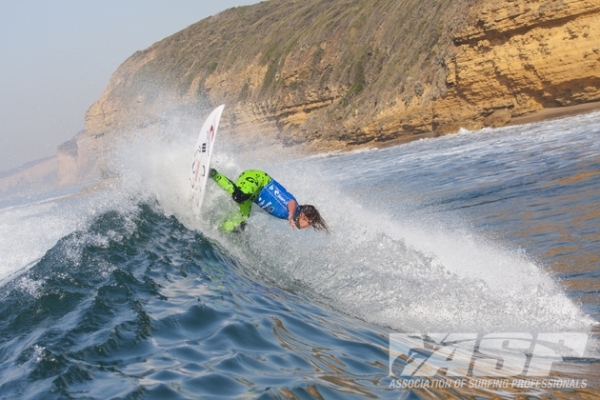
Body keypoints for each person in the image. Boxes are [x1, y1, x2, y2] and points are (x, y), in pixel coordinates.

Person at [210, 168, 330, 234]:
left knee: (237, 227)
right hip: (260, 180)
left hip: (253, 196)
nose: (307, 227)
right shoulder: (294, 209)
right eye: (309, 223)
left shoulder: (291, 215)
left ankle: (212, 228)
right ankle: (213, 174)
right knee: (240, 196)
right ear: (304, 216)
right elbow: (291, 202)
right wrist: (291, 216)